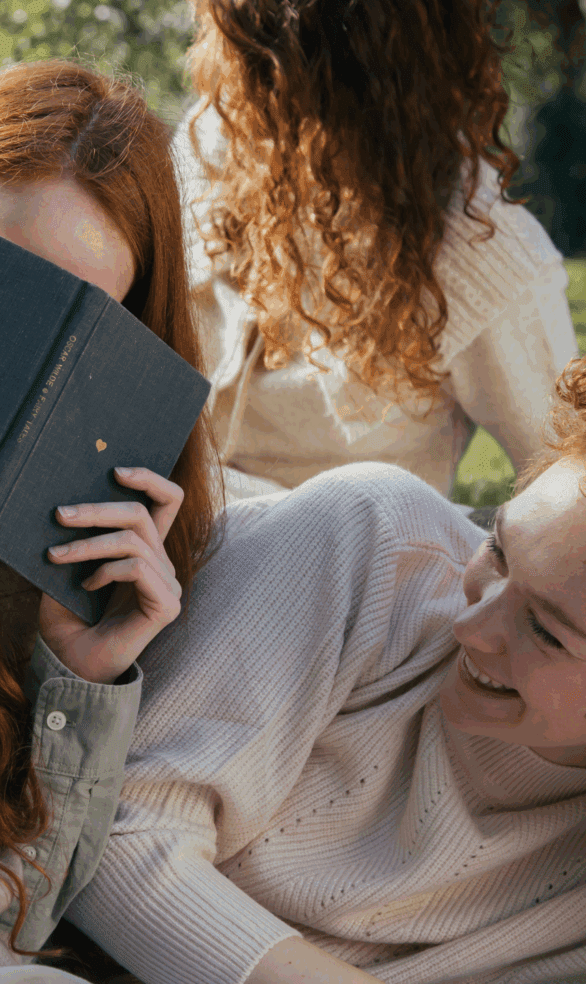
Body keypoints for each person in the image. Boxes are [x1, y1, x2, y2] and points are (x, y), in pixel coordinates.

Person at [63, 345, 586, 984]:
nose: (471, 626)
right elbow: (107, 832)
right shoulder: (370, 542)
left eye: (546, 632)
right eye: (499, 550)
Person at [0, 58, 222, 982]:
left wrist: (77, 677)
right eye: (0, 285)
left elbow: (20, 917)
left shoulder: (85, 535)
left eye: (79, 313)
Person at [172, 0, 579, 504]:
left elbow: (570, 489)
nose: (239, 89)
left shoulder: (484, 253)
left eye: (267, 65)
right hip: (156, 538)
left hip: (339, 570)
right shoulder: (214, 147)